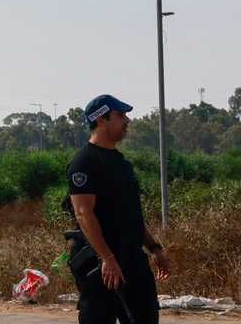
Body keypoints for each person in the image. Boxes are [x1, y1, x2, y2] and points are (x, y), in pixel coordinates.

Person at [66, 94, 172, 324]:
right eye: (120, 115)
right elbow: (83, 213)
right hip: (100, 264)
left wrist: (154, 248)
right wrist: (107, 258)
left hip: (131, 257)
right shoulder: (84, 162)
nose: (127, 120)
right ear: (101, 119)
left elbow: (130, 215)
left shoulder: (121, 163)